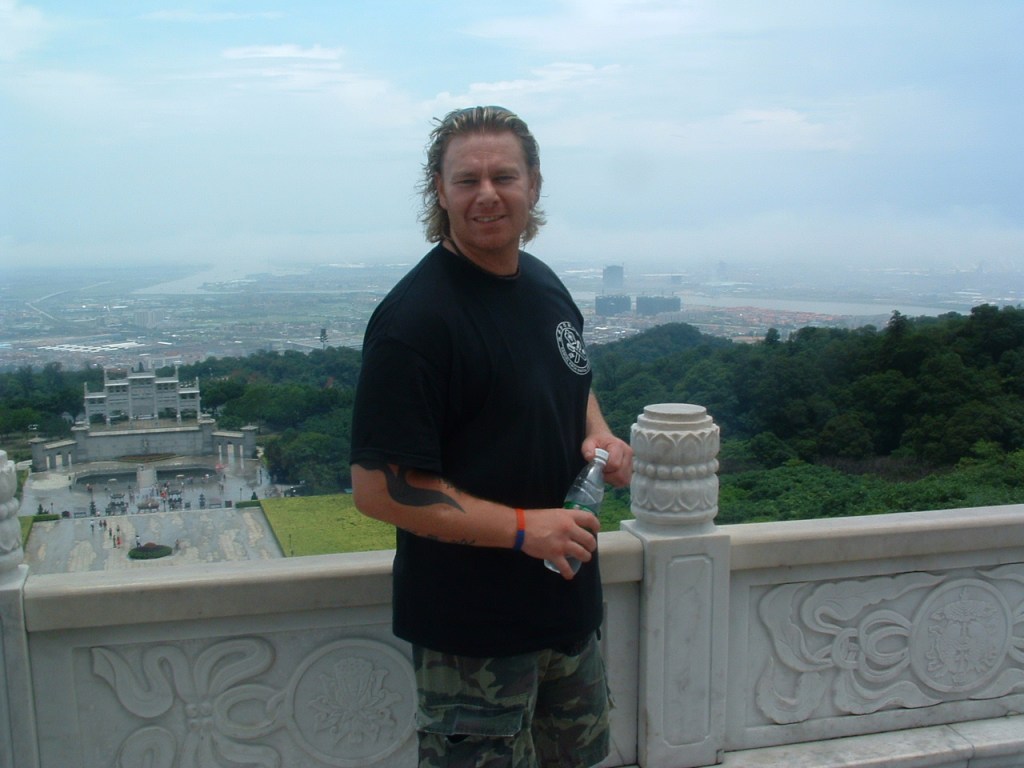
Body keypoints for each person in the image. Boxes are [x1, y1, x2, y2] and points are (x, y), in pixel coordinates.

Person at [350, 106, 632, 767]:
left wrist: (599, 435)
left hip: (568, 611)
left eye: (503, 176)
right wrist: (522, 529)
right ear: (439, 191)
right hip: (472, 636)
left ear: (533, 184)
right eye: (466, 180)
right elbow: (379, 489)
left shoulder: (543, 285)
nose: (487, 195)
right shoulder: (415, 323)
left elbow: (571, 378)